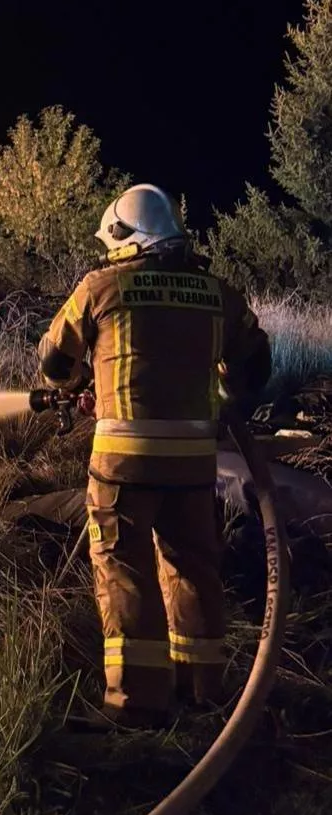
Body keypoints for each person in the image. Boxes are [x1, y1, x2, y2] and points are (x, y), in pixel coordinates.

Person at [37, 183, 272, 729]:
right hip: (193, 470)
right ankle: (200, 687)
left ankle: (137, 704)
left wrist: (80, 377)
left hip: (124, 466)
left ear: (126, 237)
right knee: (194, 568)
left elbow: (54, 362)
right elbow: (255, 368)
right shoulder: (218, 294)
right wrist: (225, 384)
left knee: (125, 571)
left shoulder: (100, 287)